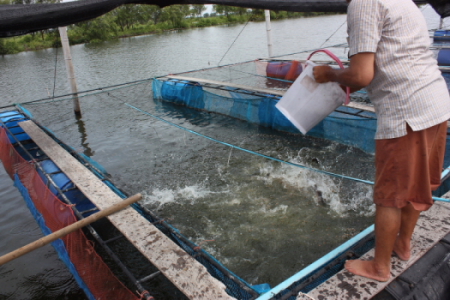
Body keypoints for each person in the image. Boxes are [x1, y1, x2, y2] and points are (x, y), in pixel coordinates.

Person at [313, 0, 450, 282]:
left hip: (405, 111)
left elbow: (361, 75)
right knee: (418, 183)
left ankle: (379, 266)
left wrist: (328, 74)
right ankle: (403, 243)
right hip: (436, 102)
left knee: (389, 196)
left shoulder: (363, 3)